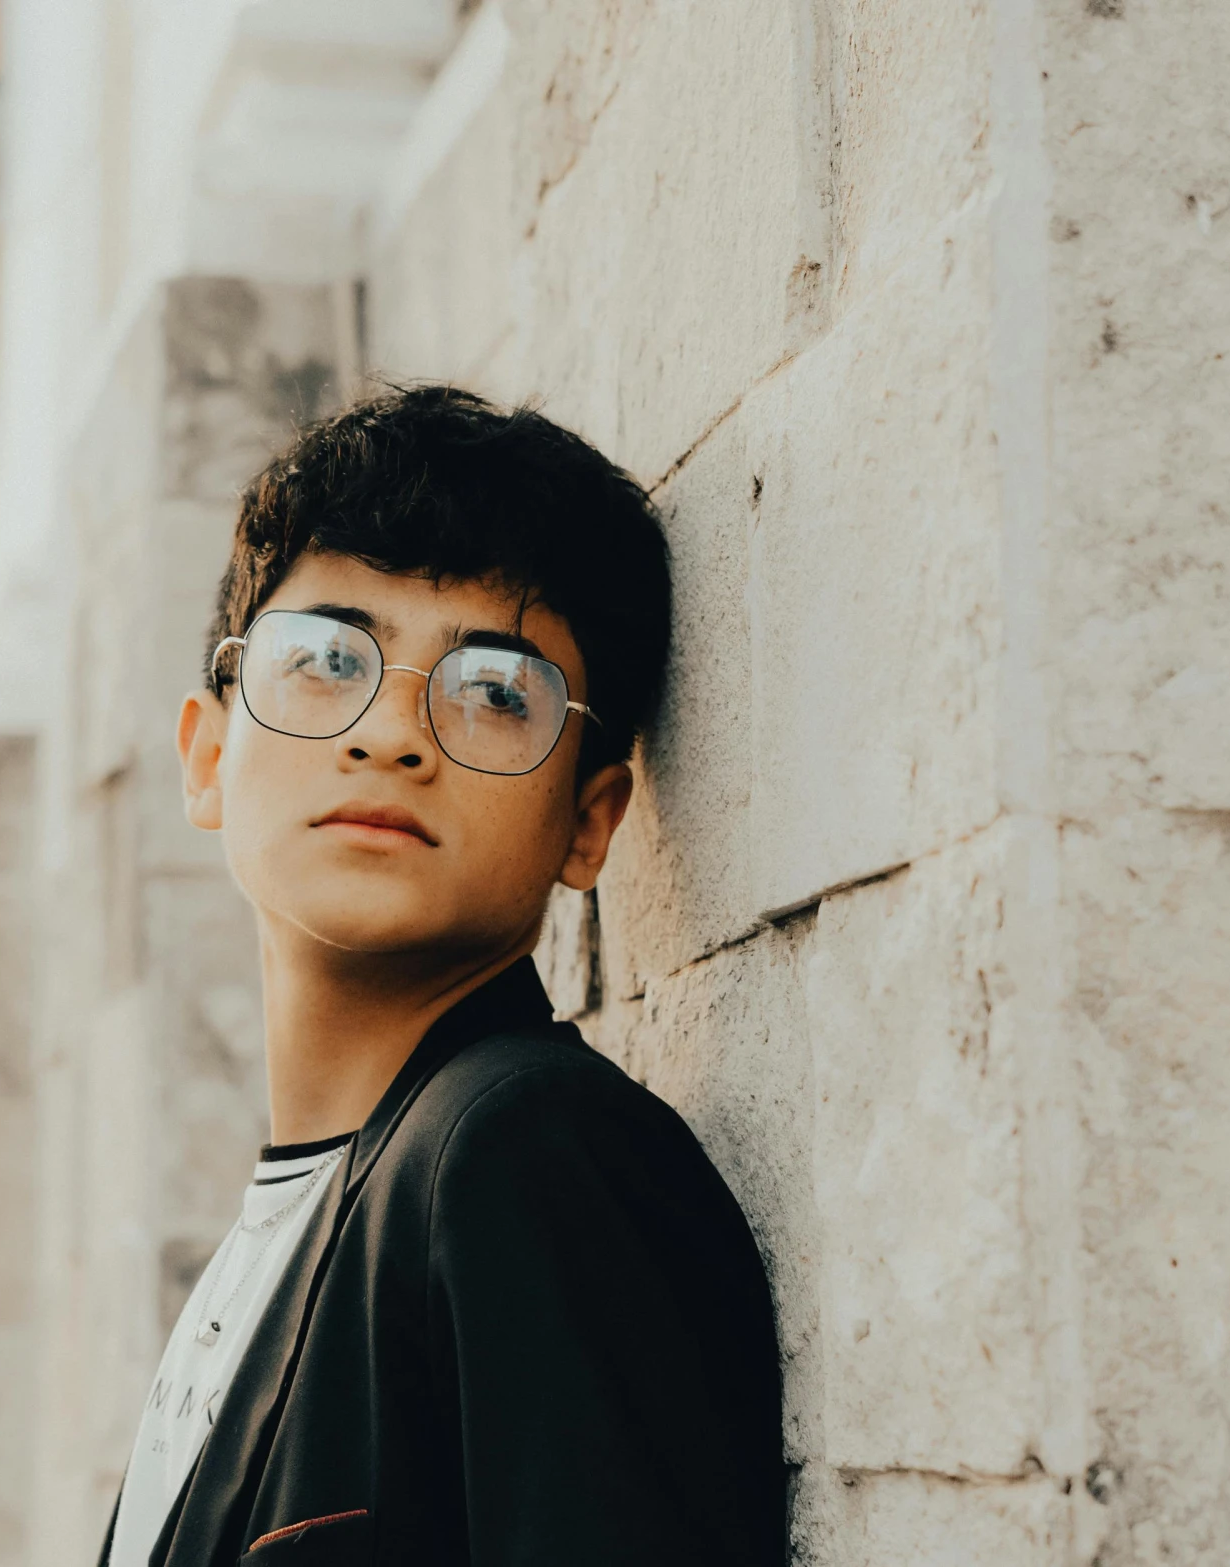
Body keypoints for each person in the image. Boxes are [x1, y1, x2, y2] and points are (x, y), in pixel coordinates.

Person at [100, 386, 785, 1566]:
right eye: (327, 658)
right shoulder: (304, 1221)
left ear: (589, 820)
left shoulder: (531, 1151)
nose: (393, 733)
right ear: (208, 755)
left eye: (494, 691)